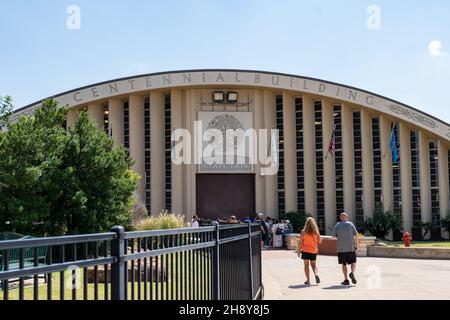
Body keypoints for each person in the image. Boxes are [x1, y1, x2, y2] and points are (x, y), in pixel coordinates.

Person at [331, 212, 360, 286]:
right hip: (351, 247)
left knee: (344, 264)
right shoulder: (350, 224)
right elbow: (356, 235)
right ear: (347, 218)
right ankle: (352, 273)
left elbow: (333, 236)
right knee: (353, 262)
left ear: (340, 218)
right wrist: (357, 245)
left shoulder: (337, 225)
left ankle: (346, 279)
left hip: (341, 249)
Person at [297, 217, 322, 285]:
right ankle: (316, 274)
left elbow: (300, 242)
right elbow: (320, 241)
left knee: (306, 266)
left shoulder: (303, 232)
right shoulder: (316, 232)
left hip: (305, 250)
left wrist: (298, 251)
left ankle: (308, 280)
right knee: (314, 265)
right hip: (314, 250)